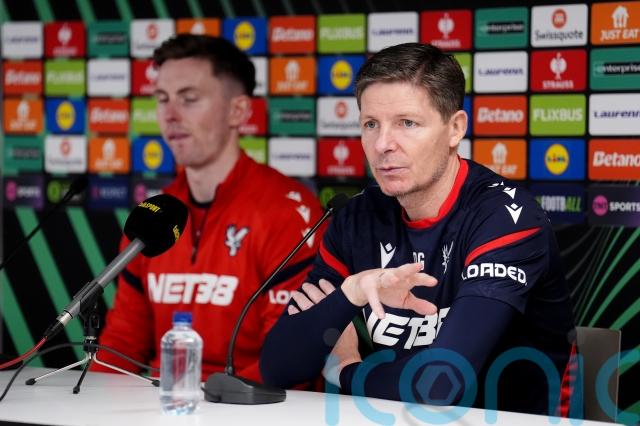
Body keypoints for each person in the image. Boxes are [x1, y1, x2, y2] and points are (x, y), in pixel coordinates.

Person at [259, 42, 578, 416]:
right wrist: (350, 293)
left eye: (407, 123)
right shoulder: (357, 216)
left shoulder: (505, 218)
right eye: (371, 124)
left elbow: (440, 383)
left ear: (455, 129)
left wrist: (346, 371)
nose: (383, 144)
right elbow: (279, 368)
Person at [94, 35, 324, 382]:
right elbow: (121, 345)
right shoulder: (153, 215)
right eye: (162, 99)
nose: (170, 115)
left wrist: (207, 402)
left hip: (249, 404)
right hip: (165, 402)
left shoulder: (288, 212)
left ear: (238, 111)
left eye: (189, 99)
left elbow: (289, 360)